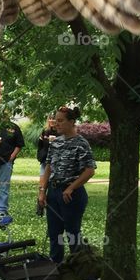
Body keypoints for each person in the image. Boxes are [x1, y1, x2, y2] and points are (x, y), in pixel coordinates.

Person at [38, 105, 97, 264]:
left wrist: (71, 187)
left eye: (60, 121)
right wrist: (42, 191)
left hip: (72, 195)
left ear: (72, 122)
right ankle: (56, 268)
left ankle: (79, 268)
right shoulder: (55, 143)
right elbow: (48, 168)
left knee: (72, 233)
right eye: (55, 121)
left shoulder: (81, 143)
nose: (56, 124)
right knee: (54, 233)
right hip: (54, 193)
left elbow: (89, 170)